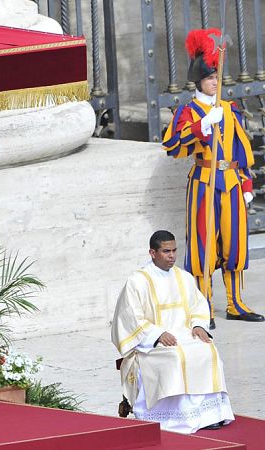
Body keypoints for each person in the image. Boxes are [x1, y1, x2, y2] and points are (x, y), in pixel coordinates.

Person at [162, 28, 264, 329]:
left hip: (231, 183)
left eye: (217, 78)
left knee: (234, 244)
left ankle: (235, 303)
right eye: (209, 79)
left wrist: (246, 185)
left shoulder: (231, 111)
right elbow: (173, 147)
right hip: (204, 183)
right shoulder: (190, 111)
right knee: (203, 245)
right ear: (199, 81)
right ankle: (202, 307)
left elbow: (242, 154)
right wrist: (202, 126)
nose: (215, 83)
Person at [111, 230, 234, 434]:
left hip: (185, 334)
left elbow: (198, 306)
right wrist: (157, 334)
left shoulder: (183, 277)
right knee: (177, 357)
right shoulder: (138, 281)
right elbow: (130, 317)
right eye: (166, 251)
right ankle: (181, 416)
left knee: (207, 351)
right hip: (152, 343)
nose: (172, 256)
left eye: (174, 250)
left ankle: (209, 415)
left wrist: (198, 326)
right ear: (152, 252)